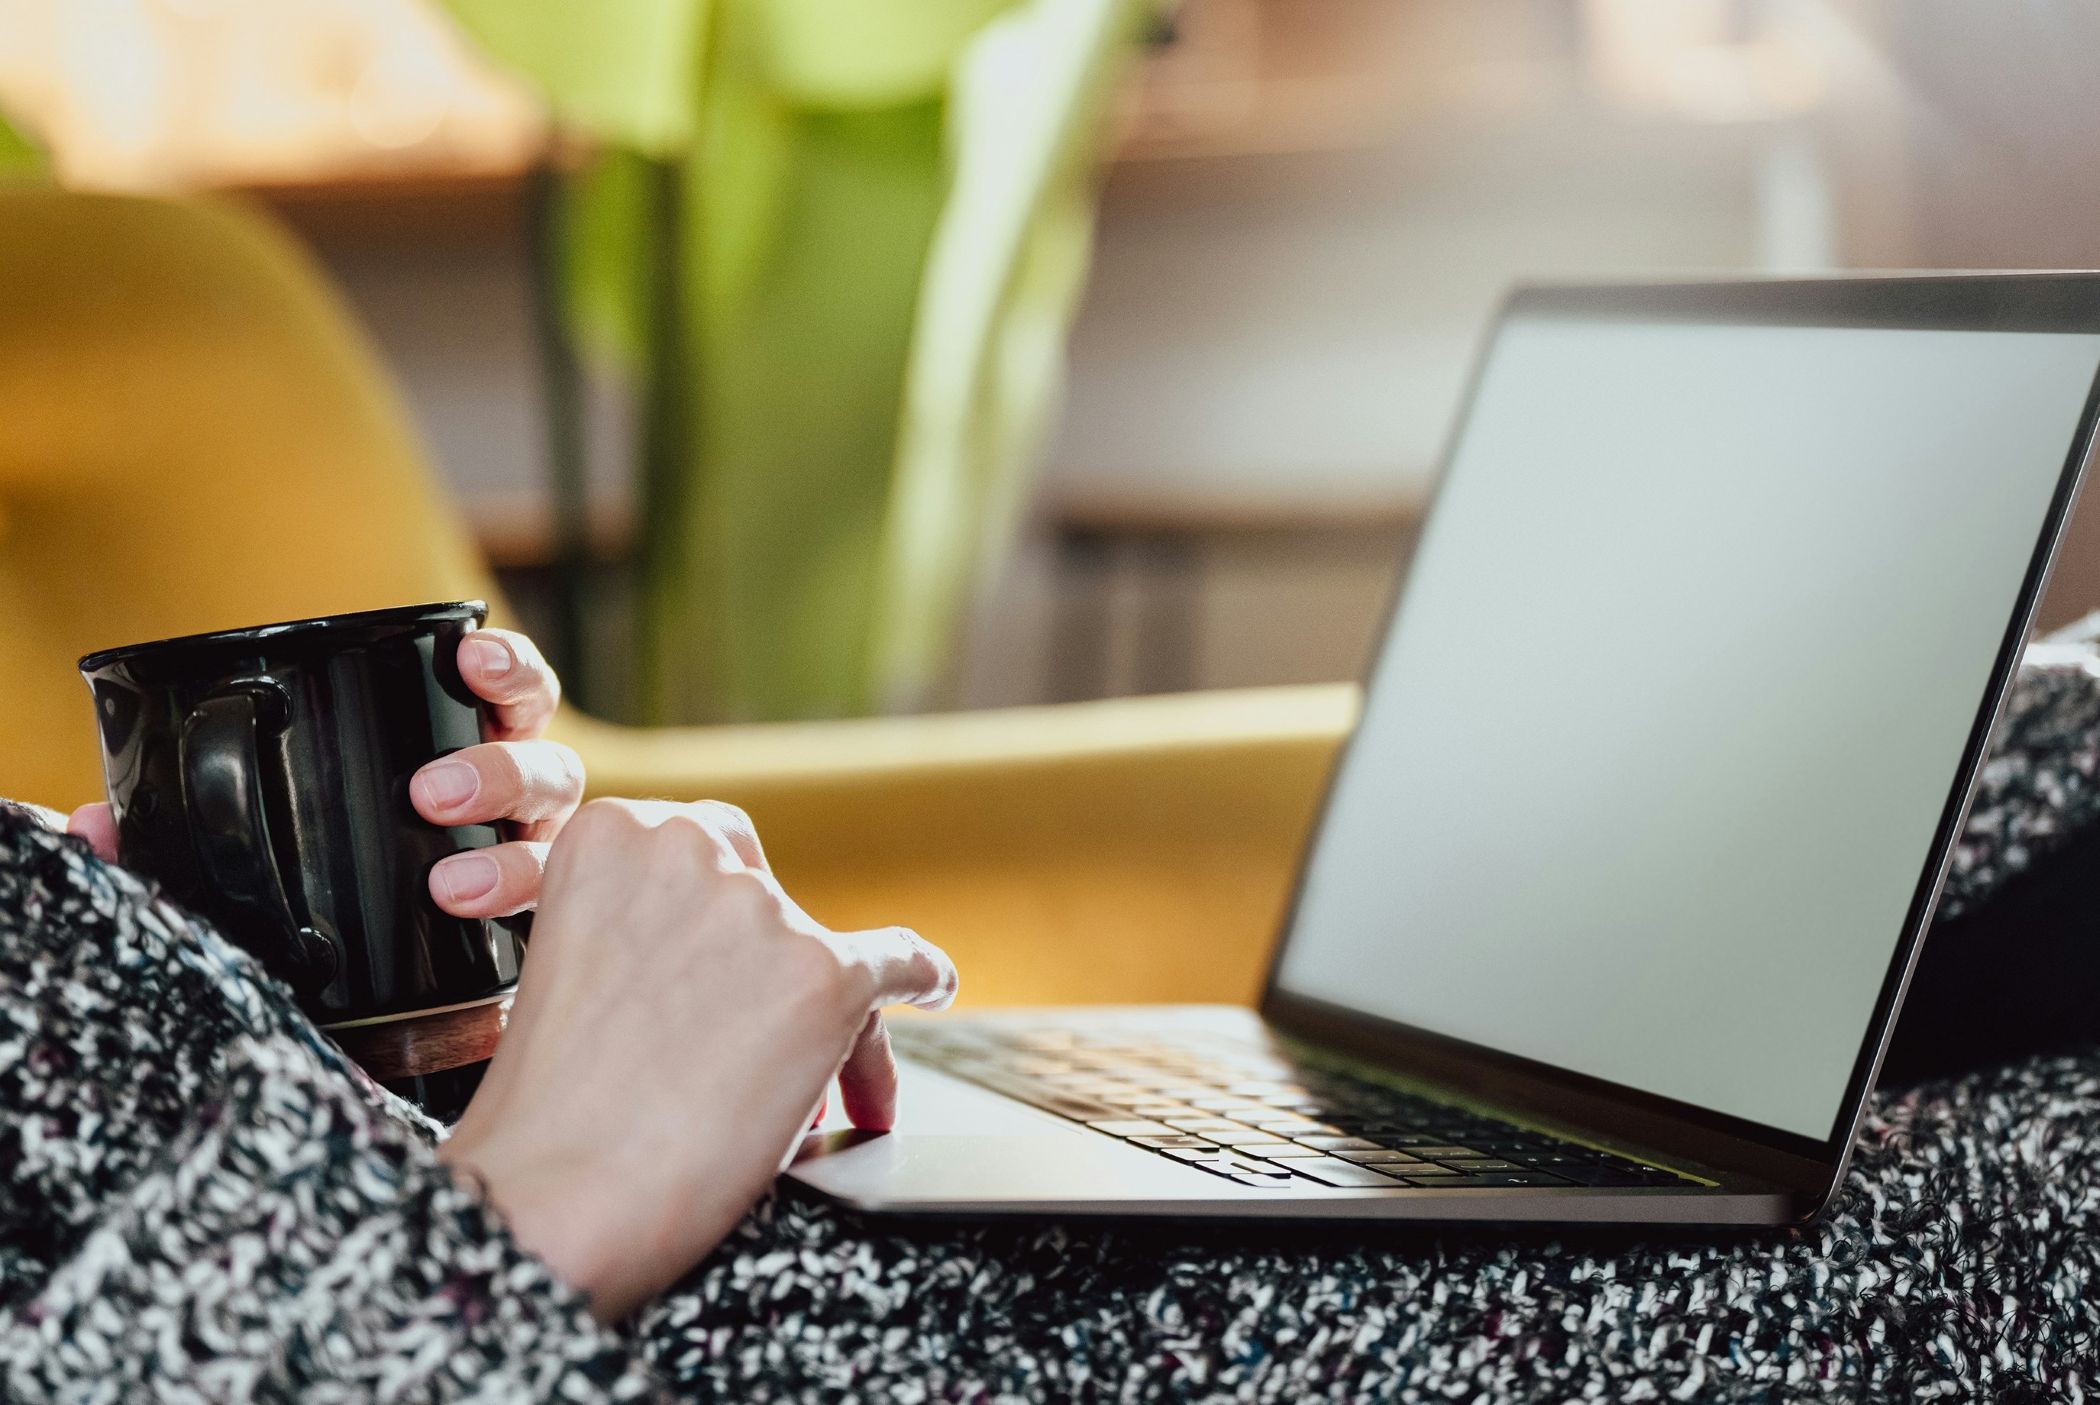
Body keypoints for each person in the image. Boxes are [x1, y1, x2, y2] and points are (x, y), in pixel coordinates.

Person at [5, 624, 2099, 1401]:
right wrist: (535, 1210)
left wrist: (360, 1022)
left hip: (855, 1238)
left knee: (1993, 745)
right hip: (962, 1344)